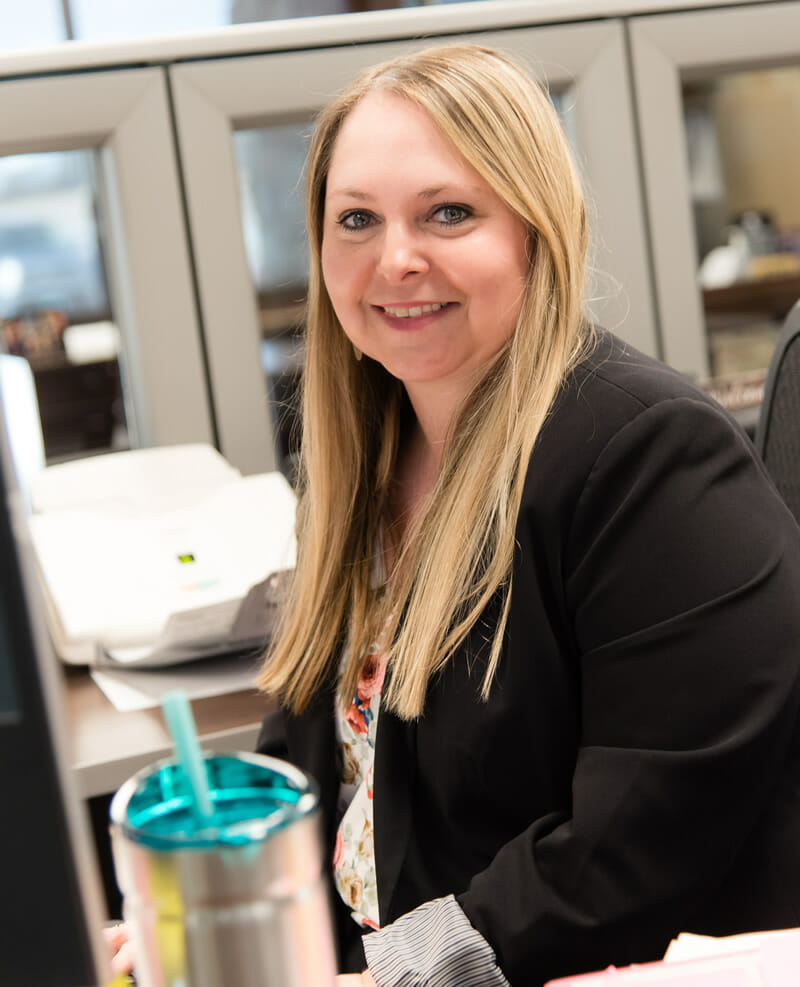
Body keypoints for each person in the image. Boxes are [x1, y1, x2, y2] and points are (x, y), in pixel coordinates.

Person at [109, 43, 800, 986]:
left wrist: (370, 976)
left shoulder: (647, 456)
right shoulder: (370, 450)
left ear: (533, 231)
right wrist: (225, 915)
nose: (395, 257)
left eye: (448, 212)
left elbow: (626, 857)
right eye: (356, 219)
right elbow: (328, 766)